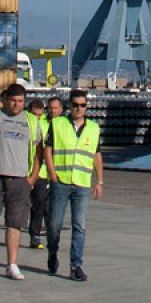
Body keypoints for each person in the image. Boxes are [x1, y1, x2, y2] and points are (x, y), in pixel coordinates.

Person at [0, 83, 43, 280]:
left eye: (20, 101)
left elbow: (39, 152)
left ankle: (11, 264)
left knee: (15, 223)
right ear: (5, 100)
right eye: (13, 101)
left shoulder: (31, 121)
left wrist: (32, 178)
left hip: (20, 180)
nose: (16, 105)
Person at [45, 89, 103, 281]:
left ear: (87, 107)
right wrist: (52, 172)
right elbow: (48, 149)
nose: (79, 108)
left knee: (79, 226)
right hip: (61, 181)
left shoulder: (94, 128)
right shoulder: (57, 123)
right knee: (54, 224)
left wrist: (99, 181)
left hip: (82, 183)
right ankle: (52, 252)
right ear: (69, 106)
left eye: (83, 105)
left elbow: (96, 155)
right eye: (75, 105)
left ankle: (75, 265)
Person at [26, 98, 53, 247]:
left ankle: (51, 234)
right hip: (38, 171)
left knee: (50, 207)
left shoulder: (51, 124)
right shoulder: (33, 125)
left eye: (39, 114)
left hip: (53, 171)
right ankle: (35, 235)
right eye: (34, 114)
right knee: (39, 205)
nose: (37, 117)